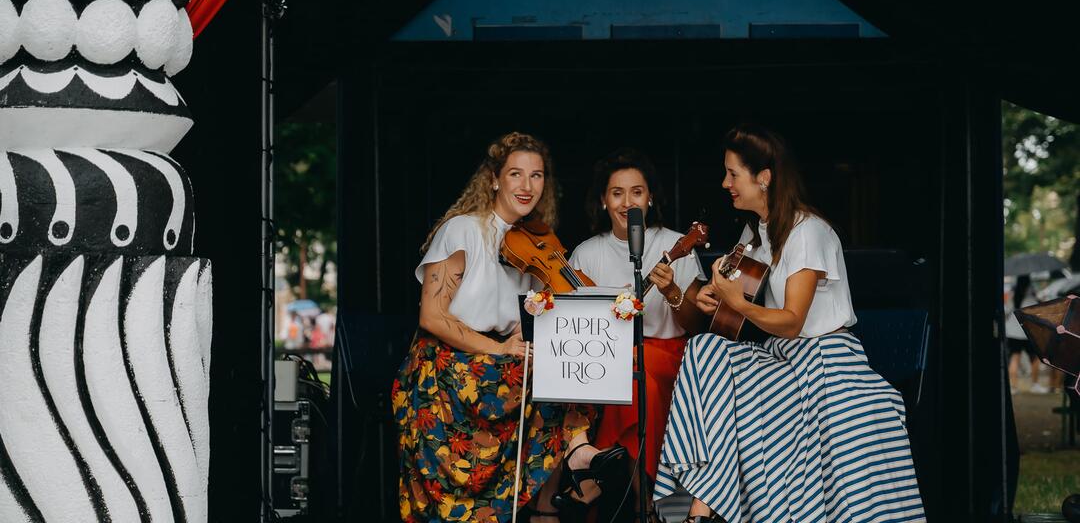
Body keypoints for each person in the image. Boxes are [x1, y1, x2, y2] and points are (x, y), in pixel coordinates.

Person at [655, 124, 925, 523]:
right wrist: (698, 297)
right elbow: (725, 322)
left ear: (764, 177)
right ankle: (703, 501)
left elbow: (792, 321)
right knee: (705, 349)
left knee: (720, 370)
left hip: (826, 358)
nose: (724, 182)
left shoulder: (807, 232)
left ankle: (703, 507)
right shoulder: (755, 236)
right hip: (782, 358)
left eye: (733, 174)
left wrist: (735, 303)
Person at [392, 132, 625, 523]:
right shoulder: (463, 230)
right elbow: (431, 317)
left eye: (536, 176)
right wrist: (498, 348)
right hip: (446, 367)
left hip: (496, 360)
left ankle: (572, 464)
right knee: (542, 375)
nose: (526, 185)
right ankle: (571, 469)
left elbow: (540, 316)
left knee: (568, 364)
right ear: (494, 179)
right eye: (515, 174)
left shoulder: (533, 244)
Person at [568, 148, 707, 519]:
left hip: (670, 355)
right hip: (605, 360)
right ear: (602, 200)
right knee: (629, 376)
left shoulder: (676, 244)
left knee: (635, 377)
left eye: (637, 192)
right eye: (617, 193)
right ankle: (647, 501)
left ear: (651, 198)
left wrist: (672, 292)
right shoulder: (586, 253)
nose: (627, 202)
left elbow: (699, 326)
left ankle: (616, 487)